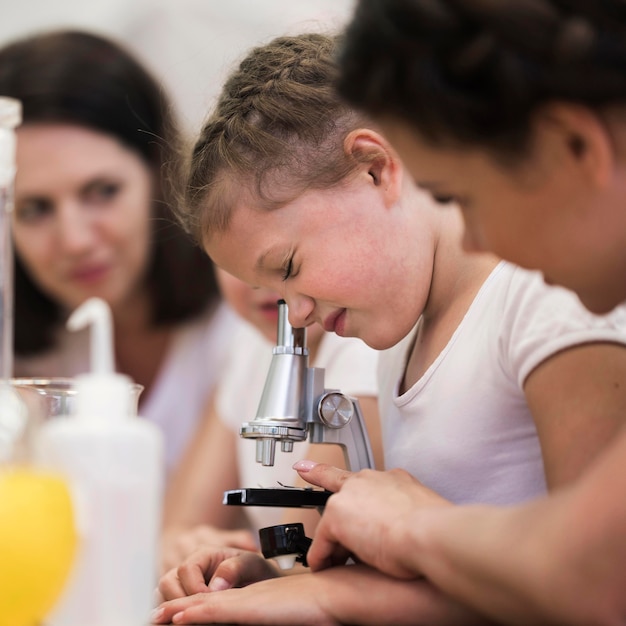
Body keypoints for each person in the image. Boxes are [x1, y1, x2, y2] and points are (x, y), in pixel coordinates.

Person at [152, 32, 626, 625]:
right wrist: (269, 579)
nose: (295, 315)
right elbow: (442, 572)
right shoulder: (400, 338)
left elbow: (597, 583)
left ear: (375, 168)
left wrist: (334, 596)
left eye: (290, 269)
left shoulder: (546, 295)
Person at [0, 29, 238, 478]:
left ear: (158, 171)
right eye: (35, 209)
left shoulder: (244, 315)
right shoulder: (19, 365)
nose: (75, 240)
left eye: (102, 191)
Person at [161, 268, 382, 572]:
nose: (262, 282)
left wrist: (243, 569)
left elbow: (302, 561)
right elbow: (177, 526)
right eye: (236, 263)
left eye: (286, 261)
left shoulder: (365, 348)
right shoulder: (250, 344)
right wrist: (185, 548)